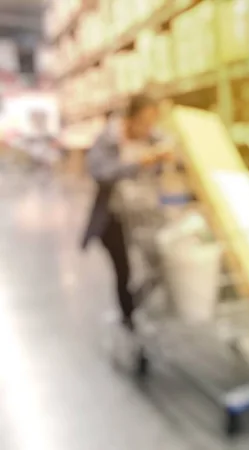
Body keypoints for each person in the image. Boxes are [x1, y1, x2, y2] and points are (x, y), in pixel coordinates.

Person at [81, 94, 171, 333]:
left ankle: (139, 306)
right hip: (114, 217)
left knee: (159, 263)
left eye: (153, 121)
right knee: (124, 270)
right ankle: (128, 317)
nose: (148, 127)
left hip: (146, 214)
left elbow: (171, 151)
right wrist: (139, 163)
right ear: (130, 118)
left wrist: (166, 156)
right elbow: (100, 172)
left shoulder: (154, 137)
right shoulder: (109, 138)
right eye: (144, 121)